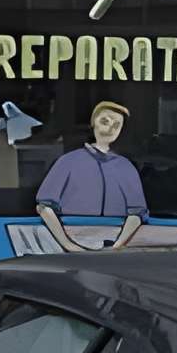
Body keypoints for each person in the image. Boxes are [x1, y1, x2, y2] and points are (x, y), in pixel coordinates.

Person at [35, 101, 151, 249]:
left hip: (115, 242)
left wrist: (117, 245)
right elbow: (44, 207)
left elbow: (137, 212)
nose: (111, 128)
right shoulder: (68, 161)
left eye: (117, 125)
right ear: (93, 122)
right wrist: (68, 245)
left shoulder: (126, 167)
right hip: (68, 238)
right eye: (105, 121)